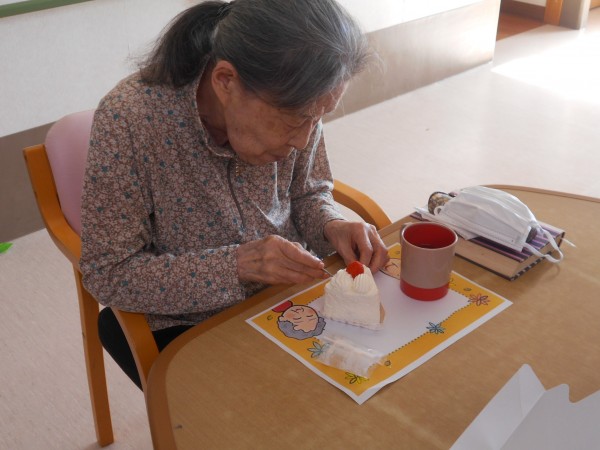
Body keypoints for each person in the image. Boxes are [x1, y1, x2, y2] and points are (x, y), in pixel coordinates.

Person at [80, 0, 389, 389]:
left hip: (288, 297)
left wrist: (332, 224)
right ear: (225, 81)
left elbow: (307, 193)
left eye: (318, 118)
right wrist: (238, 265)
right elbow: (109, 273)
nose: (303, 140)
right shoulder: (130, 121)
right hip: (189, 321)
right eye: (296, 120)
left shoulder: (300, 98)